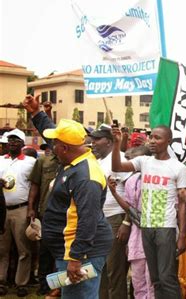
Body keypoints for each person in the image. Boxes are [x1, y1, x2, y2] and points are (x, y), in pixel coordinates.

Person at [111, 125, 186, 299]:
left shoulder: (178, 168)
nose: (152, 141)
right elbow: (117, 166)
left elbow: (182, 204)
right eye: (151, 137)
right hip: (146, 227)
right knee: (155, 278)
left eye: (158, 138)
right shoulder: (143, 162)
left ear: (168, 141)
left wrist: (182, 235)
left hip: (165, 228)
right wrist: (117, 145)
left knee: (166, 276)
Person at [40, 119, 113, 299]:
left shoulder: (86, 176)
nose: (52, 147)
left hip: (82, 252)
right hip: (70, 249)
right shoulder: (75, 159)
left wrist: (76, 258)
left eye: (55, 144)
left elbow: (88, 219)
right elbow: (56, 138)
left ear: (65, 148)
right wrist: (37, 114)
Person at [90, 124, 131, 299]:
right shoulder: (97, 162)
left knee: (115, 269)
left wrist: (126, 222)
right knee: (100, 267)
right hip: (99, 220)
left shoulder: (120, 158)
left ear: (109, 141)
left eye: (97, 139)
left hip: (116, 219)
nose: (93, 143)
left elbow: (133, 194)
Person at [108, 145, 155, 299]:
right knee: (137, 278)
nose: (131, 165)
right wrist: (114, 193)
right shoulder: (131, 181)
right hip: (137, 235)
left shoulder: (158, 180)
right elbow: (130, 209)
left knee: (152, 279)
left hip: (155, 233)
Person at [0, 129, 36, 297]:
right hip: (2, 210)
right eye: (10, 140)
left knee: (23, 249)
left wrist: (31, 208)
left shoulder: (30, 161)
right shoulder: (0, 160)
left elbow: (36, 185)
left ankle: (21, 283)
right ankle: (1, 281)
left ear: (22, 144)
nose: (12, 143)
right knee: (2, 249)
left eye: (16, 140)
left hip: (21, 209)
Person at [27, 140, 60, 296]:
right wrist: (31, 207)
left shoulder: (75, 162)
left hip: (67, 215)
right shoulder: (42, 161)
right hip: (46, 213)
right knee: (45, 252)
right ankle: (44, 285)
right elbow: (35, 185)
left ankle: (58, 286)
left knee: (61, 253)